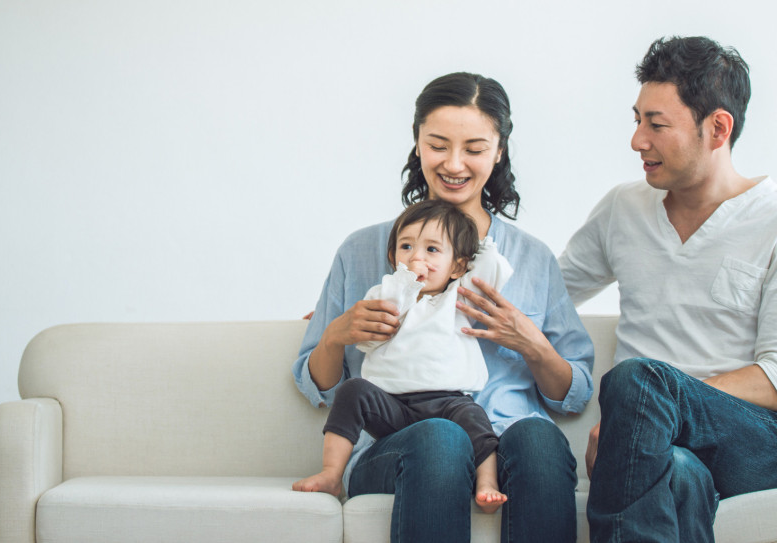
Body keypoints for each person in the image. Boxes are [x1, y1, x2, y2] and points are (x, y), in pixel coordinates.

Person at [293, 72, 595, 543]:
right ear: (417, 143)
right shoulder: (361, 250)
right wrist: (336, 336)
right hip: (401, 440)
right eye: (438, 145)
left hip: (510, 434)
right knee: (442, 436)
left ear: (499, 152)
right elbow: (319, 387)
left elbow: (573, 395)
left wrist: (532, 343)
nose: (454, 164)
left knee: (539, 441)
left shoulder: (531, 259)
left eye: (474, 148)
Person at [558, 36, 777, 542]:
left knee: (639, 382)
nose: (638, 140)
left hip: (751, 439)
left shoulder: (770, 220)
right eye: (637, 120)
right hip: (652, 449)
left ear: (717, 128)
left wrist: (642, 416)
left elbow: (773, 378)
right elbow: (544, 296)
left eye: (656, 125)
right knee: (676, 472)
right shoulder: (623, 208)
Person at [293, 199, 512, 513]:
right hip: (392, 405)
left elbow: (491, 270)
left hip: (448, 403)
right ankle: (332, 473)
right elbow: (370, 339)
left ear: (457, 267)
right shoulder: (385, 295)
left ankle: (486, 483)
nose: (416, 257)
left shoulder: (458, 299)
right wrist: (407, 281)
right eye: (406, 247)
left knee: (475, 418)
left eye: (432, 249)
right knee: (352, 392)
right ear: (392, 257)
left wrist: (482, 244)